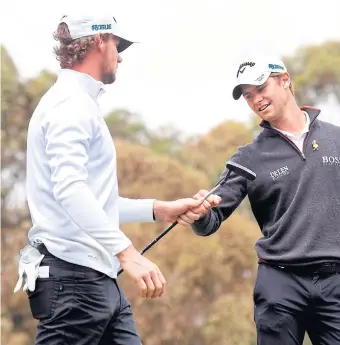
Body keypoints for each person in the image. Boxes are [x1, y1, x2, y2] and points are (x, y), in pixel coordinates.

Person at [14, 14, 220, 345]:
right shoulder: (69, 105)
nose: (120, 55)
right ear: (99, 41)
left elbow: (93, 201)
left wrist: (159, 209)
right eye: (117, 44)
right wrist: (127, 252)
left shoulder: (78, 102)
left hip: (95, 282)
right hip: (75, 283)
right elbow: (71, 192)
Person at [190, 56, 340, 344]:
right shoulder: (248, 157)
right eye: (248, 96)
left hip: (339, 284)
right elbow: (210, 220)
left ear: (284, 80)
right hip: (279, 285)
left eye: (261, 88)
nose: (256, 100)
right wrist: (199, 213)